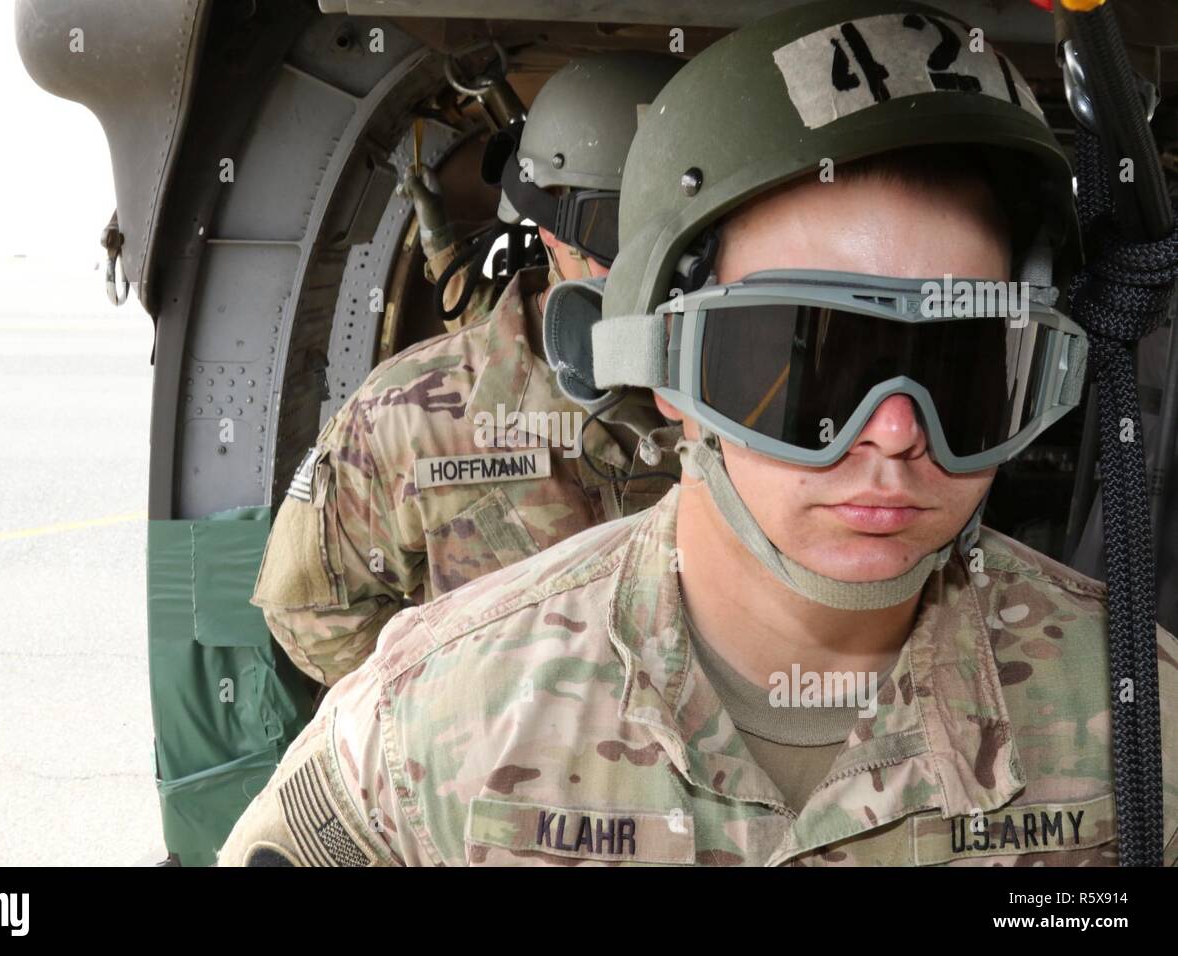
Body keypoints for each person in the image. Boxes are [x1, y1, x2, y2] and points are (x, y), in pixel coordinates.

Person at [220, 0, 1178, 867]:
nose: (895, 437)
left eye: (966, 372)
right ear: (664, 368)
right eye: (814, 366)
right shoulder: (423, 727)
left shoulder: (1145, 729)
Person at [251, 52, 684, 687]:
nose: (658, 269)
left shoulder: (763, 394)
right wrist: (448, 710)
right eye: (619, 227)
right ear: (549, 222)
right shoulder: (408, 418)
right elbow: (311, 611)